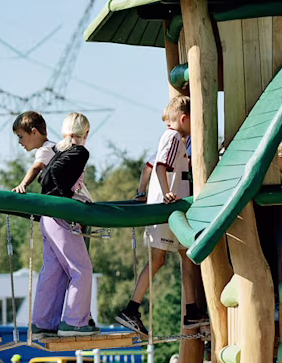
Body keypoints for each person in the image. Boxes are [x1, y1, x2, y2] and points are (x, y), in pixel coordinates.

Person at [115, 96, 192, 336]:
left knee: (188, 256)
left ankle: (193, 310)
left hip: (173, 207)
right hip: (167, 208)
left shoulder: (176, 138)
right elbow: (158, 166)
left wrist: (141, 191)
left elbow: (149, 165)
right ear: (184, 119)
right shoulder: (174, 138)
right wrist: (165, 191)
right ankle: (131, 309)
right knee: (160, 259)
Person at [28, 113, 96, 338]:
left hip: (47, 217)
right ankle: (75, 321)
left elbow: (44, 177)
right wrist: (66, 196)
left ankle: (43, 323)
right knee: (81, 270)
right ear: (85, 133)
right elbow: (54, 175)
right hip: (60, 215)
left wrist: (57, 193)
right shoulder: (79, 151)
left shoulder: (59, 150)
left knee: (54, 271)